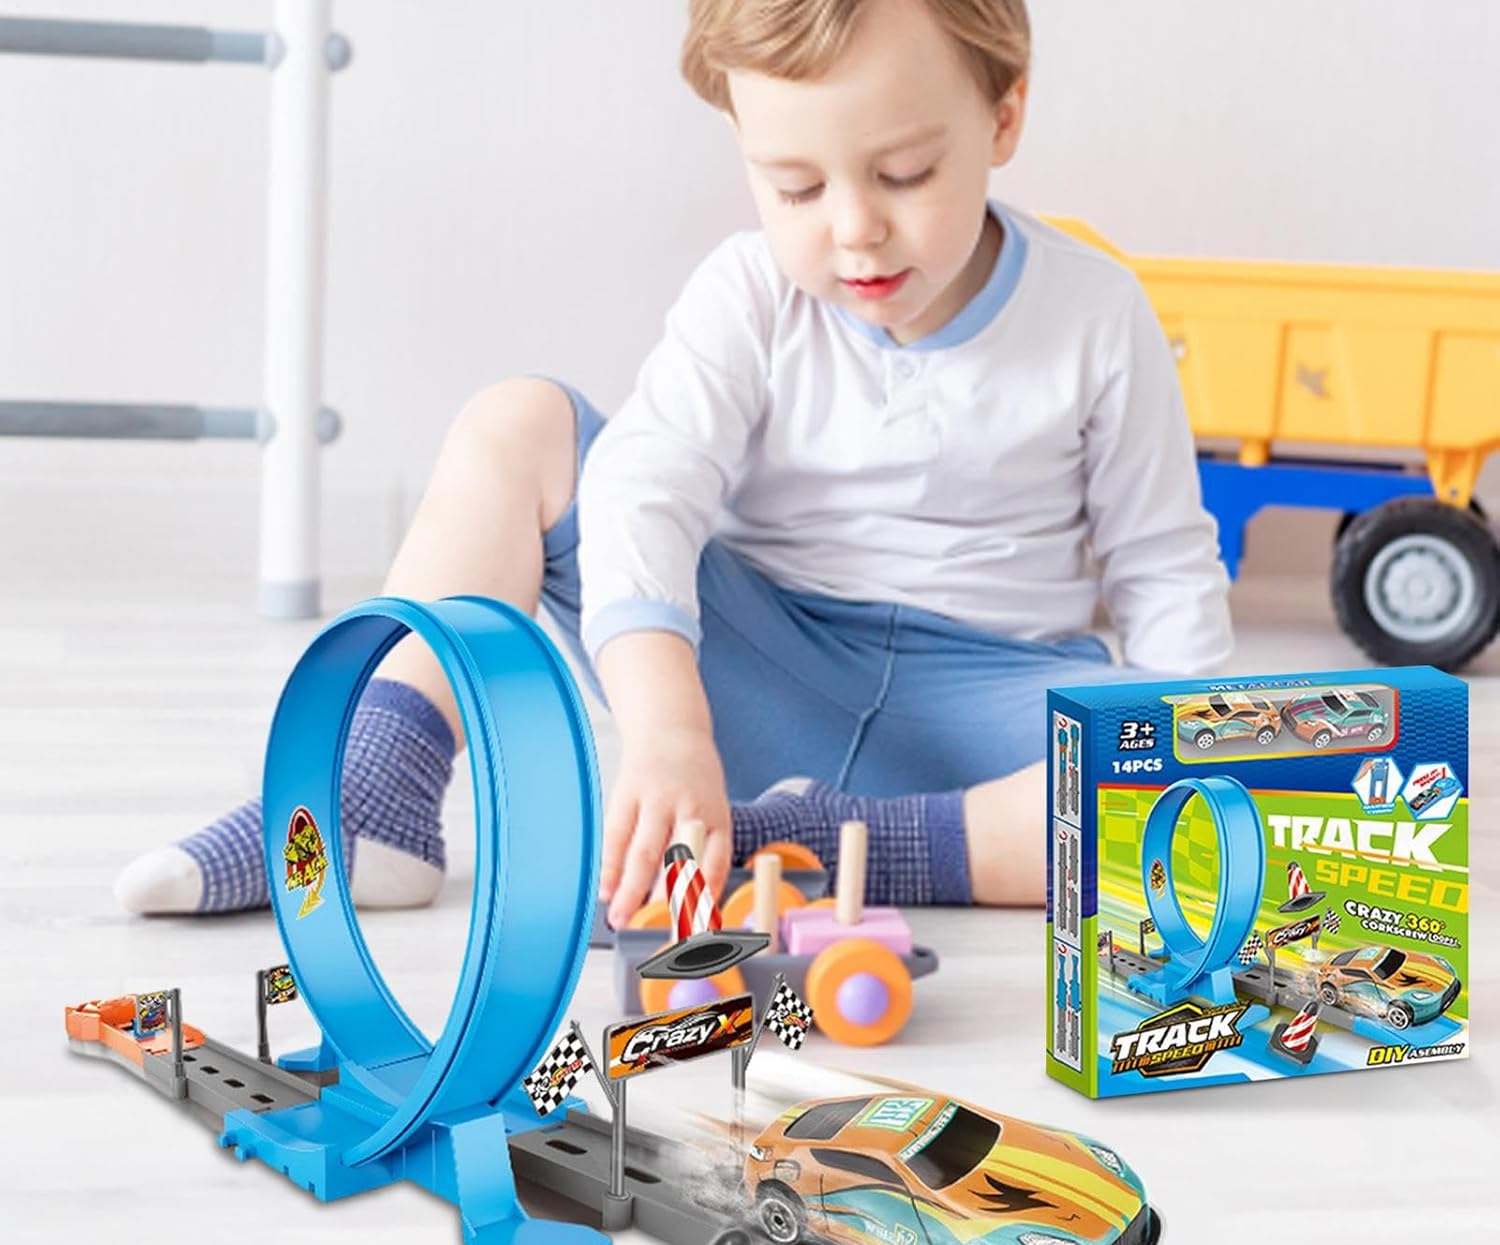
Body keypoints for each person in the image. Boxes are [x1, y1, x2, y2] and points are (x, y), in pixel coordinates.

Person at [116, 0, 1230, 927]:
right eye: (796, 188)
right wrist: (667, 730)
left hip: (992, 724)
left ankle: (839, 842)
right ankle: (375, 792)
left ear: (1004, 116)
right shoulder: (749, 295)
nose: (853, 229)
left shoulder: (1097, 310)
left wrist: (1204, 751)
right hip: (760, 674)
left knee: (1203, 784)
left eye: (905, 172)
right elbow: (645, 491)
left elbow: (1164, 568)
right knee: (519, 425)